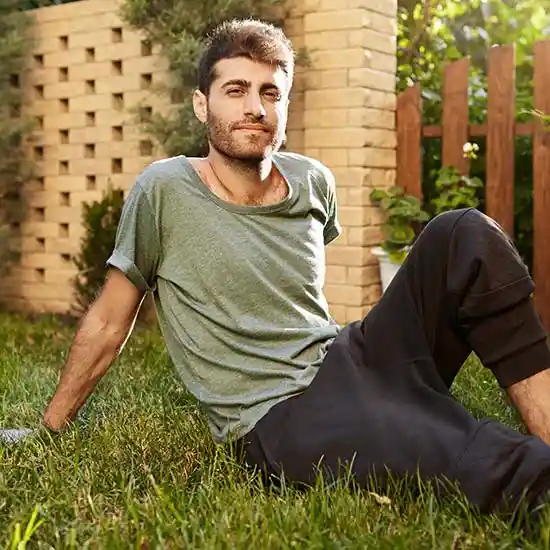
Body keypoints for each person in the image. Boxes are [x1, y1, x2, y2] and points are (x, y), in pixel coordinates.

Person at [42, 18, 550, 527]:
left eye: (271, 92)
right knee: (460, 450)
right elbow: (110, 321)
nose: (255, 108)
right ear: (202, 104)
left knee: (463, 230)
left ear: (286, 106)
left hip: (349, 359)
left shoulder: (313, 181)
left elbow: (299, 302)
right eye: (235, 90)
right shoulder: (163, 190)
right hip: (281, 420)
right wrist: (52, 427)